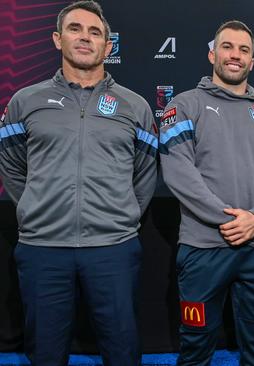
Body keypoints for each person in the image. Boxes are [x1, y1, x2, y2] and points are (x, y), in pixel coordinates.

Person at [0, 1, 158, 365]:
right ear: (58, 39)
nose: (85, 37)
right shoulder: (26, 101)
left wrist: (122, 214)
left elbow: (146, 172)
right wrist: (35, 207)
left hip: (113, 247)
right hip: (43, 248)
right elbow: (10, 164)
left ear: (108, 45)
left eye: (94, 32)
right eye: (75, 29)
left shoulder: (134, 106)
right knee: (45, 354)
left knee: (122, 352)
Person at [159, 20, 254, 366]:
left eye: (244, 50)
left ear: (253, 61)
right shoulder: (185, 106)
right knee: (196, 347)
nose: (235, 55)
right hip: (203, 249)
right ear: (212, 53)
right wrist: (230, 219)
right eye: (228, 47)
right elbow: (178, 172)